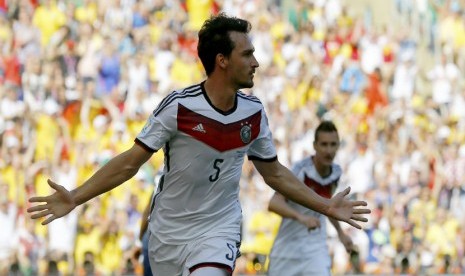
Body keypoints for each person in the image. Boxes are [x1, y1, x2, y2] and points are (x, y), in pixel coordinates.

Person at [27, 13, 370, 276]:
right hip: (168, 234)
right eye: (247, 54)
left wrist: (325, 207)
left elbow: (275, 175)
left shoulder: (254, 112)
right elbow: (131, 163)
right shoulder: (179, 107)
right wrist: (75, 196)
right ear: (222, 60)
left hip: (218, 229)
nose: (256, 62)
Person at [267, 121, 354, 276]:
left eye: (333, 145)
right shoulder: (300, 170)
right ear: (314, 146)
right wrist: (301, 218)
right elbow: (274, 203)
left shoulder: (336, 172)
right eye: (324, 144)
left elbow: (328, 206)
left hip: (316, 247)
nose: (329, 150)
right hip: (287, 249)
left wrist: (341, 233)